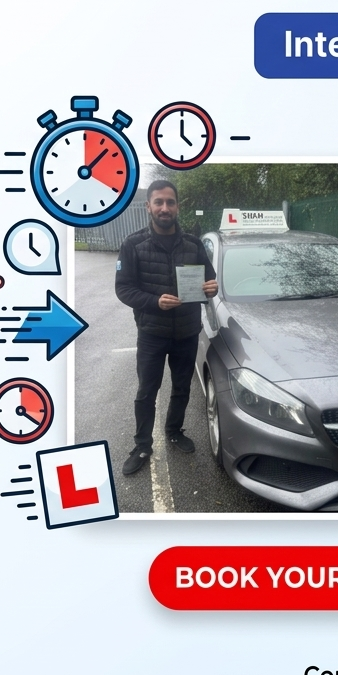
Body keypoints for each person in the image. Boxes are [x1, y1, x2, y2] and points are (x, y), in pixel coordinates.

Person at [114, 180, 219, 476]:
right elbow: (123, 289)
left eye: (170, 202)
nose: (164, 208)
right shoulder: (133, 244)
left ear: (177, 206)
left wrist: (212, 287)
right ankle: (142, 444)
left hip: (187, 333)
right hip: (151, 333)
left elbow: (208, 282)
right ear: (149, 206)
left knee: (182, 388)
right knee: (147, 391)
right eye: (158, 202)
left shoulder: (194, 245)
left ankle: (174, 431)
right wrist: (154, 301)